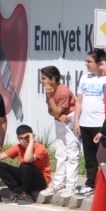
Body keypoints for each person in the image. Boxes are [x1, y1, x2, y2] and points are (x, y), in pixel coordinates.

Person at [38, 66, 80, 200]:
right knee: (60, 153)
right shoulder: (49, 90)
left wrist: (51, 99)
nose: (41, 81)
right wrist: (57, 115)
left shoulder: (63, 91)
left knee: (72, 153)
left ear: (53, 79)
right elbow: (51, 111)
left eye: (44, 78)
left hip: (70, 120)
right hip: (60, 121)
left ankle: (71, 185)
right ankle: (58, 183)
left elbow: (57, 111)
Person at [0, 125, 51, 203]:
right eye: (21, 138)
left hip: (40, 182)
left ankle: (27, 195)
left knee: (25, 165)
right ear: (18, 138)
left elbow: (27, 160)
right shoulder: (19, 147)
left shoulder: (40, 148)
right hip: (26, 179)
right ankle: (17, 192)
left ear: (32, 136)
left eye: (27, 137)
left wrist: (31, 141)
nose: (24, 141)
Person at [75, 51, 106, 195]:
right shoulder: (84, 77)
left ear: (98, 63)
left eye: (89, 61)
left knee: (102, 157)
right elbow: (79, 101)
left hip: (99, 123)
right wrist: (76, 121)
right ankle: (90, 184)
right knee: (89, 157)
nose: (87, 64)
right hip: (85, 123)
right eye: (86, 61)